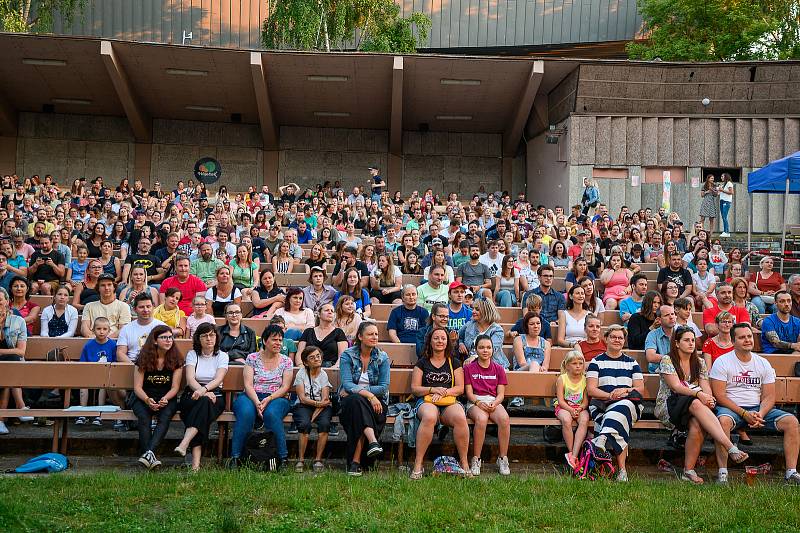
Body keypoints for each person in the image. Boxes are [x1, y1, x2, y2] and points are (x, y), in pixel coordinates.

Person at [655, 326, 748, 484]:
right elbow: (676, 387)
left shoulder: (699, 362)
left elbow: (706, 387)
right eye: (686, 340)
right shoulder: (667, 359)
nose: (691, 343)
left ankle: (688, 471)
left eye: (692, 340)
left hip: (694, 407)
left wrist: (710, 398)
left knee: (697, 423)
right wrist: (700, 395)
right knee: (697, 403)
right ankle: (730, 446)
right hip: (669, 406)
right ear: (677, 343)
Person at [710, 323, 800, 485]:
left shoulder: (762, 363)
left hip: (758, 410)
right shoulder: (722, 362)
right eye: (742, 337)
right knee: (722, 421)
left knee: (791, 422)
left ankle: (791, 473)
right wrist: (744, 414)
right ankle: (722, 473)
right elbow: (720, 395)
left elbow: (769, 396)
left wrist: (761, 414)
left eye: (749, 336)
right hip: (731, 408)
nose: (747, 340)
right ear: (733, 340)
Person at [585, 325, 645, 482]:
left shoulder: (632, 363)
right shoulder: (596, 362)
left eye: (620, 337)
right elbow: (591, 390)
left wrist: (624, 391)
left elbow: (640, 390)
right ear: (606, 339)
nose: (617, 340)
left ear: (624, 341)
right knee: (618, 419)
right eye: (613, 337)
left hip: (629, 404)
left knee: (622, 407)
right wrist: (610, 395)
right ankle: (622, 471)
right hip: (602, 404)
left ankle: (601, 439)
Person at [229, 324, 294, 469]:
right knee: (246, 413)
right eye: (274, 340)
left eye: (280, 340)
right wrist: (258, 402)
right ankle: (235, 457)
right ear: (265, 341)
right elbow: (248, 384)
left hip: (277, 397)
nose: (278, 343)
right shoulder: (252, 358)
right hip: (251, 396)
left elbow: (285, 387)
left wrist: (268, 399)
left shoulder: (286, 361)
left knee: (271, 414)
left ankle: (282, 458)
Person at [410, 326, 470, 479]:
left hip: (448, 400)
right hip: (426, 401)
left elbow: (460, 388)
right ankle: (418, 463)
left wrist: (442, 392)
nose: (440, 341)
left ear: (447, 342)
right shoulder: (422, 363)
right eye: (436, 338)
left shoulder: (454, 362)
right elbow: (415, 389)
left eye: (443, 338)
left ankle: (464, 463)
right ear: (430, 341)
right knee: (429, 416)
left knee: (460, 416)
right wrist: (432, 389)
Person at [338, 322, 390, 477]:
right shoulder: (348, 355)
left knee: (357, 405)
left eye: (376, 334)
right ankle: (372, 441)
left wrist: (364, 393)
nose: (374, 337)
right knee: (356, 401)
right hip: (352, 402)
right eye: (370, 334)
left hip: (377, 403)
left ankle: (355, 462)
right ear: (360, 337)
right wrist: (369, 395)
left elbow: (383, 386)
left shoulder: (382, 357)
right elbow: (347, 383)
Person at [176, 322, 229, 472]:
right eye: (204, 335)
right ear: (198, 339)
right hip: (192, 394)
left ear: (216, 337)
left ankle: (185, 444)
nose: (209, 338)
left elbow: (219, 379)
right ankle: (195, 465)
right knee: (202, 408)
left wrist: (205, 390)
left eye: (212, 335)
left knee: (203, 405)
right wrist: (202, 391)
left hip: (215, 395)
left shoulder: (222, 356)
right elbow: (190, 379)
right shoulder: (192, 354)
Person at [129, 325, 183, 469]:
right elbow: (137, 387)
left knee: (165, 417)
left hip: (166, 397)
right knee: (144, 417)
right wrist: (147, 400)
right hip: (143, 397)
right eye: (164, 337)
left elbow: (175, 387)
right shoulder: (143, 358)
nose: (168, 340)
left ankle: (147, 454)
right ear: (154, 340)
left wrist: (166, 398)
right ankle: (150, 455)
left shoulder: (176, 359)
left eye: (170, 337)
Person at [464, 334, 511, 476]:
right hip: (475, 401)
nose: (485, 350)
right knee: (481, 419)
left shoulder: (499, 369)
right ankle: (476, 459)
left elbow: (501, 394)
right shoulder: (469, 368)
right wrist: (478, 402)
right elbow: (469, 393)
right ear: (476, 350)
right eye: (482, 347)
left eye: (488, 347)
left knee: (504, 419)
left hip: (493, 401)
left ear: (493, 349)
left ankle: (503, 458)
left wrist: (494, 403)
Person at [292, 346, 334, 473]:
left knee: (325, 424)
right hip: (304, 405)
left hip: (321, 407)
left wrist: (319, 406)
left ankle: (318, 460)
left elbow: (326, 399)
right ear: (305, 362)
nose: (316, 359)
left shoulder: (323, 374)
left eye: (318, 356)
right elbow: (302, 398)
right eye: (312, 357)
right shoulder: (301, 373)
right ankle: (301, 460)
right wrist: (318, 403)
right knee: (305, 425)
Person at [0, 287, 31, 435]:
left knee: (9, 368)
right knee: (8, 372)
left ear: (7, 302)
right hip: (9, 368)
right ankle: (20, 407)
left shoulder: (18, 321)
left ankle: (1, 421)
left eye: (0, 301)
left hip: (10, 366)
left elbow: (20, 351)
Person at [76, 317, 116, 427]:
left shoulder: (113, 345)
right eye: (98, 329)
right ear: (93, 330)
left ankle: (99, 414)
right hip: (90, 373)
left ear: (109, 330)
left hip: (106, 375)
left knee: (103, 387)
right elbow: (83, 363)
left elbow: (115, 362)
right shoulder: (89, 345)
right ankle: (82, 413)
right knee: (83, 386)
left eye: (104, 329)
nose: (101, 331)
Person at [556, 351, 590, 469]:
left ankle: (574, 456)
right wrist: (570, 409)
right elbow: (560, 400)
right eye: (574, 363)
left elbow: (585, 401)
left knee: (584, 419)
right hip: (564, 406)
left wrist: (580, 408)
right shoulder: (562, 379)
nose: (578, 366)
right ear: (567, 366)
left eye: (580, 363)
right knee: (566, 420)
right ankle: (570, 452)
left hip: (579, 407)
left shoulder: (585, 380)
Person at [458, 298, 508, 368]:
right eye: (473, 308)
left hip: (494, 367)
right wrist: (461, 343)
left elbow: (491, 350)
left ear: (486, 311)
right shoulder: (469, 325)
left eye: (477, 309)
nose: (473, 311)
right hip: (472, 366)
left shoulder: (497, 330)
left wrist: (474, 357)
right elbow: (458, 336)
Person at [295, 302, 348, 367]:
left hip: (330, 367)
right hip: (309, 367)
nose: (330, 312)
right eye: (326, 310)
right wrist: (301, 366)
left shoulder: (339, 332)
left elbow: (342, 355)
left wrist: (334, 368)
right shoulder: (308, 332)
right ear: (319, 314)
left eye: (332, 311)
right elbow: (299, 353)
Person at [81, 274, 132, 338]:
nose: (106, 288)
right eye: (102, 285)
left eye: (109, 285)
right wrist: (95, 339)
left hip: (114, 342)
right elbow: (84, 328)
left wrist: (105, 340)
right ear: (98, 288)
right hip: (93, 341)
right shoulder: (89, 306)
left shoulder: (123, 306)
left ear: (114, 287)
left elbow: (123, 329)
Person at [645, 305, 677, 373]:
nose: (671, 317)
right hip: (658, 374)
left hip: (678, 372)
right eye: (667, 315)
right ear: (659, 319)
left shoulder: (681, 333)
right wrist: (673, 359)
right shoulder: (652, 334)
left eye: (672, 314)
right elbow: (650, 357)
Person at [718, 172, 734, 237]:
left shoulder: (729, 183)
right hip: (722, 201)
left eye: (722, 176)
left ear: (726, 177)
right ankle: (726, 231)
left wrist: (722, 190)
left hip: (726, 202)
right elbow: (721, 192)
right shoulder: (724, 184)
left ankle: (726, 232)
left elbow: (731, 192)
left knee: (724, 216)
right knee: (723, 216)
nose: (721, 177)